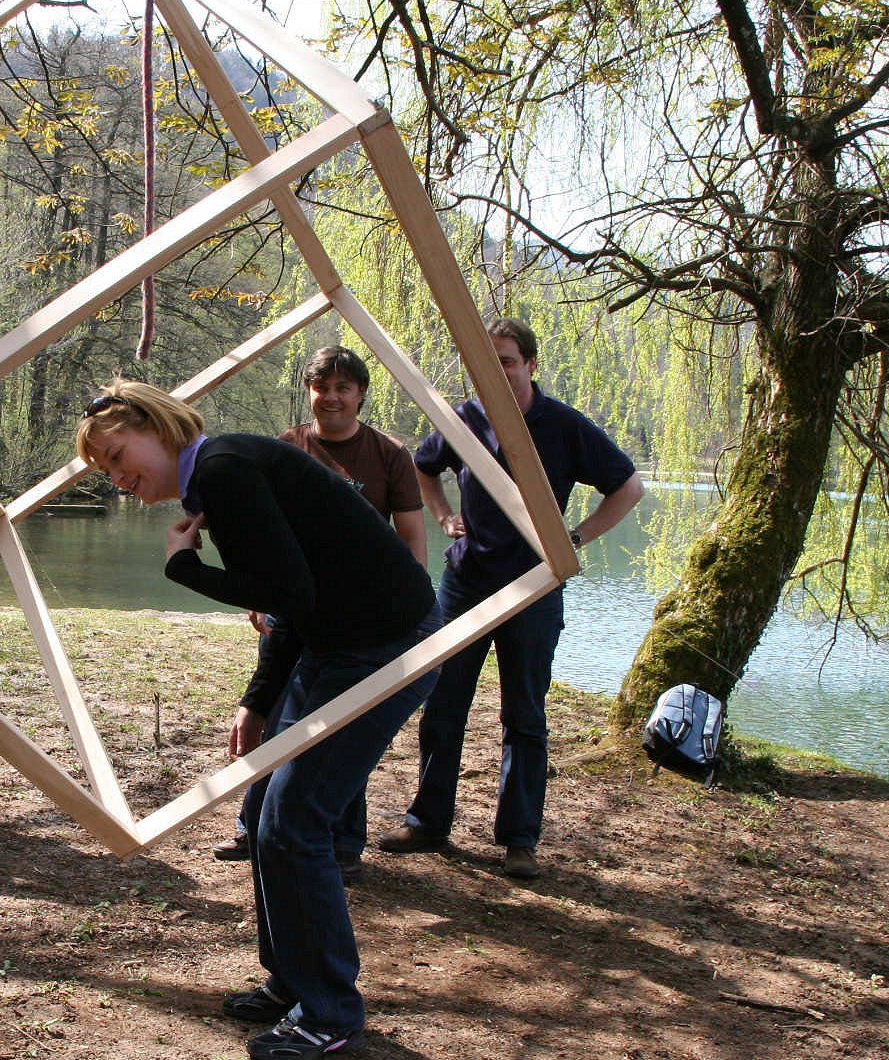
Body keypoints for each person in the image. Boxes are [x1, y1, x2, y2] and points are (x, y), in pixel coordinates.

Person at [76, 379, 438, 1060]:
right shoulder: (221, 474)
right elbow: (296, 599)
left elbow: (287, 592)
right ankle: (294, 984)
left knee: (294, 821)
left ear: (159, 428)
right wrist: (261, 699)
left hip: (389, 644)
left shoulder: (225, 470)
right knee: (269, 806)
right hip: (339, 644)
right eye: (105, 470)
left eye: (119, 456)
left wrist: (184, 567)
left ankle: (329, 1016)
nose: (118, 478)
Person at [378, 317, 643, 879]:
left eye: (506, 362)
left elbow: (629, 486)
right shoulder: (466, 418)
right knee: (442, 703)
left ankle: (520, 840)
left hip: (535, 587)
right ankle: (427, 823)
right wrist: (444, 516)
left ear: (530, 365)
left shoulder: (564, 425)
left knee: (524, 714)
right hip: (466, 582)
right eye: (488, 363)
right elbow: (423, 468)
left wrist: (575, 539)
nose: (497, 373)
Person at [211, 345, 428, 878]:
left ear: (360, 394)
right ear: (309, 392)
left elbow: (411, 536)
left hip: (358, 614)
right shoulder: (288, 446)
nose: (331, 398)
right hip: (292, 607)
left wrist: (409, 607)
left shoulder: (388, 454)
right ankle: (253, 826)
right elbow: (261, 532)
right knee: (276, 712)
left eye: (342, 388)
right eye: (321, 387)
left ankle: (344, 842)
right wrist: (260, 597)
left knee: (342, 724)